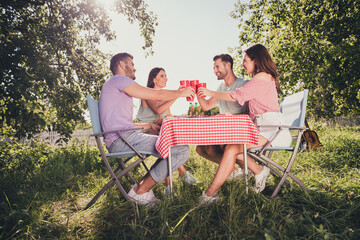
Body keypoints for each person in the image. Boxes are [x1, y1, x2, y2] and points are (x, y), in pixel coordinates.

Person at [197, 44, 292, 204]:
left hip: (273, 130)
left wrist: (211, 93)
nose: (243, 64)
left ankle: (210, 194)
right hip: (263, 128)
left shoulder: (262, 77)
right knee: (229, 147)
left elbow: (236, 96)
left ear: (256, 60)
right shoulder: (260, 78)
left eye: (245, 60)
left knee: (231, 148)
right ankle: (258, 171)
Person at [99, 53, 195, 207]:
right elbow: (155, 94)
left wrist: (149, 126)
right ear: (122, 65)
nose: (135, 68)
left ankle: (140, 189)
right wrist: (180, 93)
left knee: (172, 147)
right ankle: (140, 192)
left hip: (124, 137)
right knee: (180, 149)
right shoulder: (118, 80)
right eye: (131, 63)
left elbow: (122, 124)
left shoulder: (114, 85)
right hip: (123, 140)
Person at [136, 67, 199, 196]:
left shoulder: (164, 96)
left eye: (166, 75)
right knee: (170, 144)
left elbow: (167, 116)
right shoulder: (148, 93)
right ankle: (179, 178)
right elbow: (159, 111)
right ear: (154, 79)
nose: (166, 78)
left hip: (158, 132)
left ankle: (173, 184)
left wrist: (167, 115)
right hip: (145, 131)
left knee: (172, 141)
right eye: (162, 76)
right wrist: (178, 94)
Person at [196, 54, 249, 181]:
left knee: (219, 145)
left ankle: (247, 170)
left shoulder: (244, 84)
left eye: (217, 66)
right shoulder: (221, 88)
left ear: (228, 65)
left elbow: (250, 113)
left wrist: (232, 117)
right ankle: (235, 171)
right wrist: (198, 92)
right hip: (224, 131)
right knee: (201, 148)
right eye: (214, 68)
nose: (215, 71)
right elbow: (207, 106)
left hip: (239, 131)